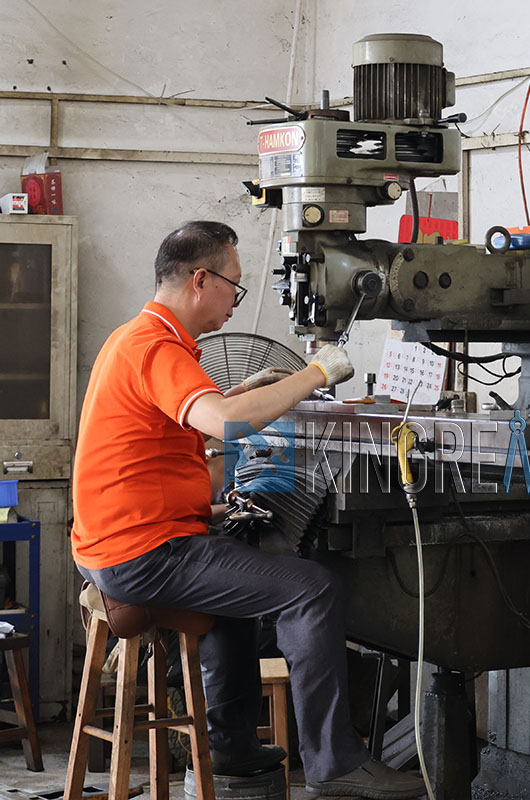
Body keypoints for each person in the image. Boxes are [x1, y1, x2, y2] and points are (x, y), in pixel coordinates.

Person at [71, 221, 426, 799]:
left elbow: (196, 416)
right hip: (141, 553)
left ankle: (232, 748)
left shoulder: (136, 337)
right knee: (313, 588)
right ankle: (336, 765)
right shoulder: (155, 346)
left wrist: (249, 390)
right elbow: (222, 424)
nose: (237, 300)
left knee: (235, 571)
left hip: (118, 543)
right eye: (235, 288)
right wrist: (316, 374)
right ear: (200, 279)